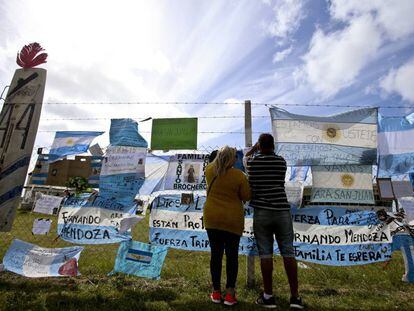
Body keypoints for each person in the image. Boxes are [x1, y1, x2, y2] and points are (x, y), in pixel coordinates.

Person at [244, 133, 304, 309]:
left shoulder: (253, 163)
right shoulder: (281, 162)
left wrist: (254, 149)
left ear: (260, 146)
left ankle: (268, 296)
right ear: (273, 146)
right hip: (281, 211)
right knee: (288, 252)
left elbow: (246, 158)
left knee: (265, 254)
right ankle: (295, 297)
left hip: (262, 211)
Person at [203, 146, 251, 306]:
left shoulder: (209, 170)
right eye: (235, 157)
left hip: (212, 218)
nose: (237, 160)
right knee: (232, 257)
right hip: (232, 220)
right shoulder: (239, 176)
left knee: (215, 256)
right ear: (231, 159)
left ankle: (216, 292)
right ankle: (230, 294)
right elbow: (246, 196)